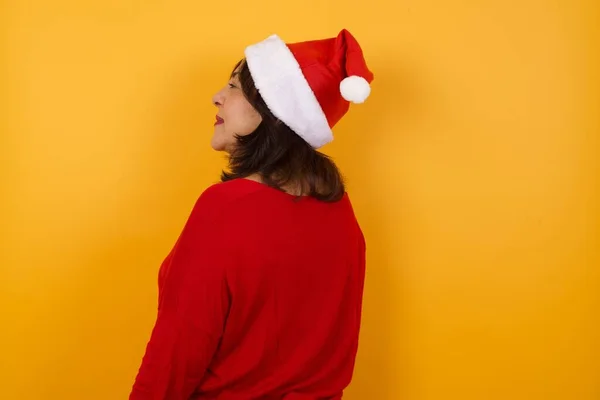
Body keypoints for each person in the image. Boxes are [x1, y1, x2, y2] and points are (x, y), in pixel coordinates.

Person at [129, 28, 374, 399]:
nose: (217, 98)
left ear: (271, 111)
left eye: (233, 87)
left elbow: (175, 355)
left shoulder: (225, 208)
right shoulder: (341, 213)